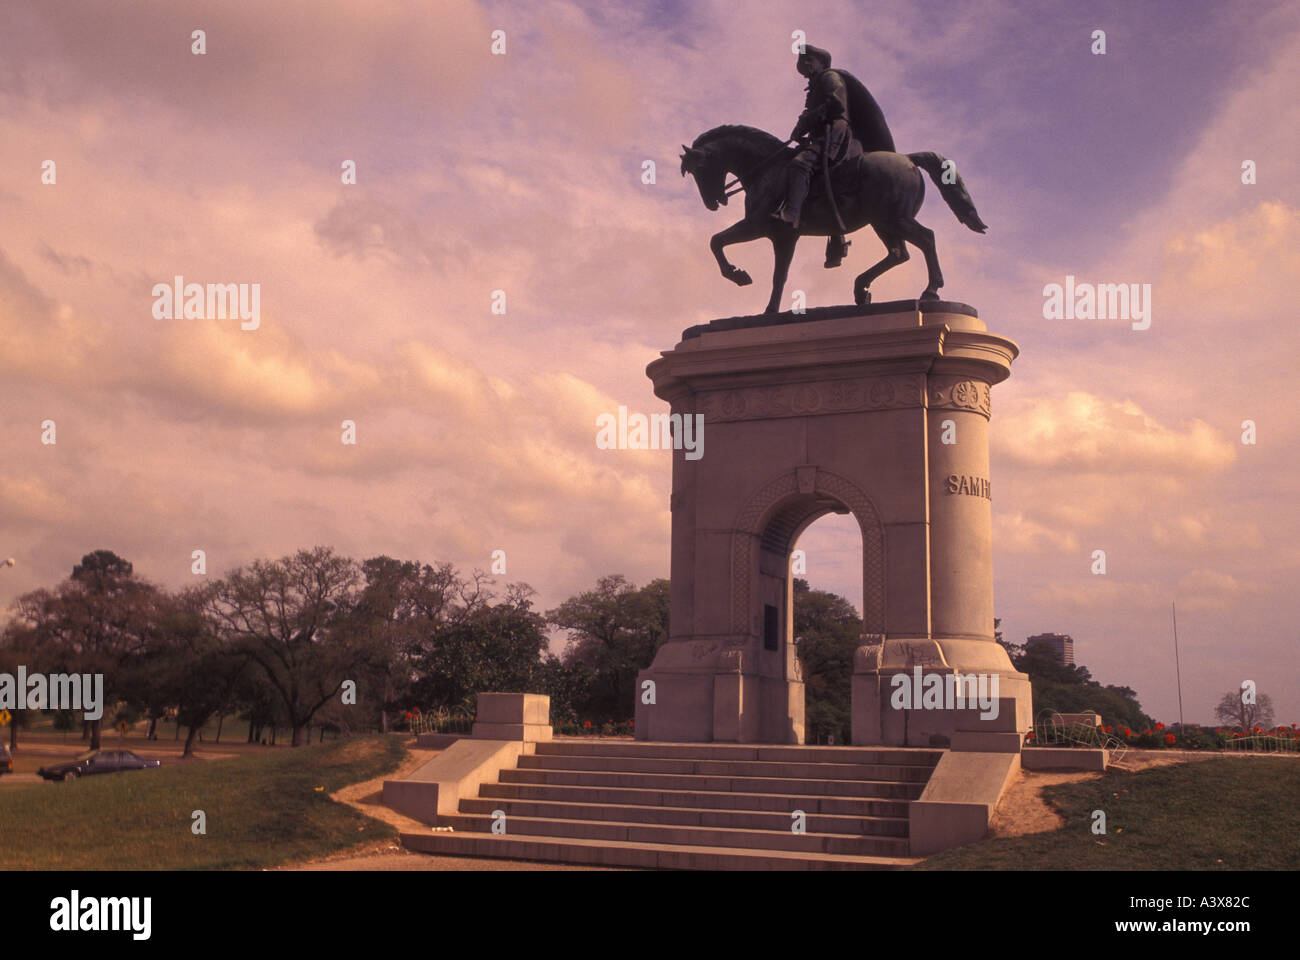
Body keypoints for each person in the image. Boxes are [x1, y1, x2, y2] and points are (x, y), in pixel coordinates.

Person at [773, 45, 896, 268]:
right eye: (803, 63)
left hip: (837, 136)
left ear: (821, 62)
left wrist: (807, 120)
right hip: (824, 136)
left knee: (800, 165)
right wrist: (801, 128)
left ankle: (791, 215)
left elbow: (835, 103)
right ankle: (836, 240)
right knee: (816, 177)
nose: (806, 65)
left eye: (810, 60)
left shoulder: (829, 77)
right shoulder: (813, 88)